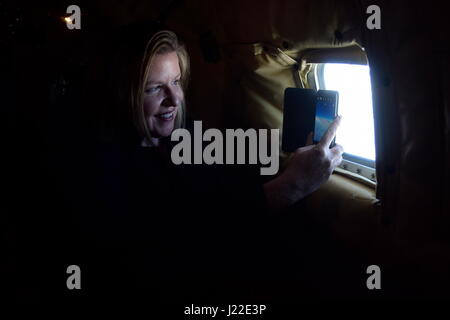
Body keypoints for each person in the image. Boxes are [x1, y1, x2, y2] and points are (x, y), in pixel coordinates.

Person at [77, 23, 343, 300]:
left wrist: (290, 166)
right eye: (154, 89)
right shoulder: (102, 167)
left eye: (176, 81)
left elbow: (226, 193)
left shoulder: (187, 133)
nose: (175, 99)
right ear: (123, 94)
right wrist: (292, 186)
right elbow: (185, 246)